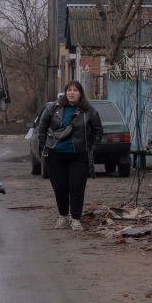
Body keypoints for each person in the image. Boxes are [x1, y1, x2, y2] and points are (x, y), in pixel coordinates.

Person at [37, 81, 103, 230]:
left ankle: (76, 219)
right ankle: (63, 216)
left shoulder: (88, 111)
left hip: (79, 156)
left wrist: (92, 148)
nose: (72, 93)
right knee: (59, 187)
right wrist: (45, 146)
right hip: (55, 155)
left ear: (81, 93)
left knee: (76, 187)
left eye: (75, 90)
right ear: (65, 92)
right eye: (69, 90)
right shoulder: (53, 108)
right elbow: (42, 127)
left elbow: (98, 130)